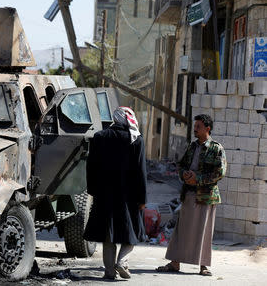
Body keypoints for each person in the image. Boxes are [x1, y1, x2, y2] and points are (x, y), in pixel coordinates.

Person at [156, 114, 226, 276]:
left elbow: (220, 172)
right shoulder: (192, 147)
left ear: (207, 129)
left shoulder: (216, 148)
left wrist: (198, 179)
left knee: (204, 231)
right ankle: (175, 263)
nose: (195, 129)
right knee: (182, 230)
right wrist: (185, 175)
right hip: (189, 193)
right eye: (195, 126)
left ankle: (204, 266)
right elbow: (181, 165)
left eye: (198, 127)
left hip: (207, 196)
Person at [84, 107, 147, 280]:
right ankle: (122, 261)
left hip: (104, 194)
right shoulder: (136, 139)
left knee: (108, 233)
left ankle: (110, 271)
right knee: (132, 232)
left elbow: (91, 167)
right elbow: (141, 172)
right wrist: (142, 198)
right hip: (129, 196)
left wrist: (92, 190)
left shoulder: (99, 137)